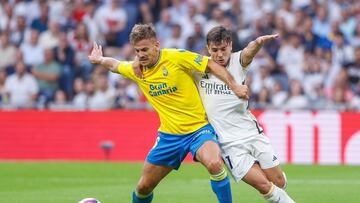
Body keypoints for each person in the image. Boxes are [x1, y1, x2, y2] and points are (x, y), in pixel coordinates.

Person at [88, 24, 248, 203]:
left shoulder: (177, 57)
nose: (141, 55)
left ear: (157, 45)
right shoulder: (138, 71)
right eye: (137, 50)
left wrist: (234, 86)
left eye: (145, 49)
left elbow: (209, 63)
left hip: (199, 130)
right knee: (143, 187)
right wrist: (100, 59)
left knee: (214, 163)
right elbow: (116, 65)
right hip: (169, 137)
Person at [193, 26, 296, 203]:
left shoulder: (237, 61)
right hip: (229, 144)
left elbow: (248, 52)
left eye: (223, 49)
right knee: (264, 186)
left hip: (251, 132)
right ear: (208, 48)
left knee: (278, 182)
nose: (219, 55)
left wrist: (257, 43)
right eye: (214, 50)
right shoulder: (198, 69)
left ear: (230, 46)